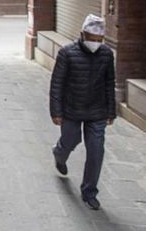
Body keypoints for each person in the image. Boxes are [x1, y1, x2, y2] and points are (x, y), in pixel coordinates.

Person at [49, 14, 116, 211]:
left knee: (96, 151)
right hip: (71, 109)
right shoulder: (67, 53)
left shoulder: (106, 54)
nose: (95, 43)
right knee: (70, 141)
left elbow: (109, 83)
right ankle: (59, 154)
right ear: (82, 34)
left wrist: (111, 111)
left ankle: (89, 192)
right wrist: (56, 111)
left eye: (99, 40)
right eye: (91, 39)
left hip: (97, 111)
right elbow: (57, 84)